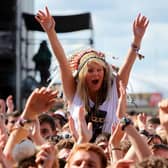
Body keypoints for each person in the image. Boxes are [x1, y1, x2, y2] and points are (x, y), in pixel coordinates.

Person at [35, 7, 149, 139]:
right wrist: (50, 31)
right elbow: (62, 62)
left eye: (99, 70)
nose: (96, 74)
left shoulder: (115, 90)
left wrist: (137, 40)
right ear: (83, 75)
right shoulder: (74, 91)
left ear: (105, 72)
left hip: (111, 152)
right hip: (81, 152)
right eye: (90, 71)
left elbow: (128, 64)